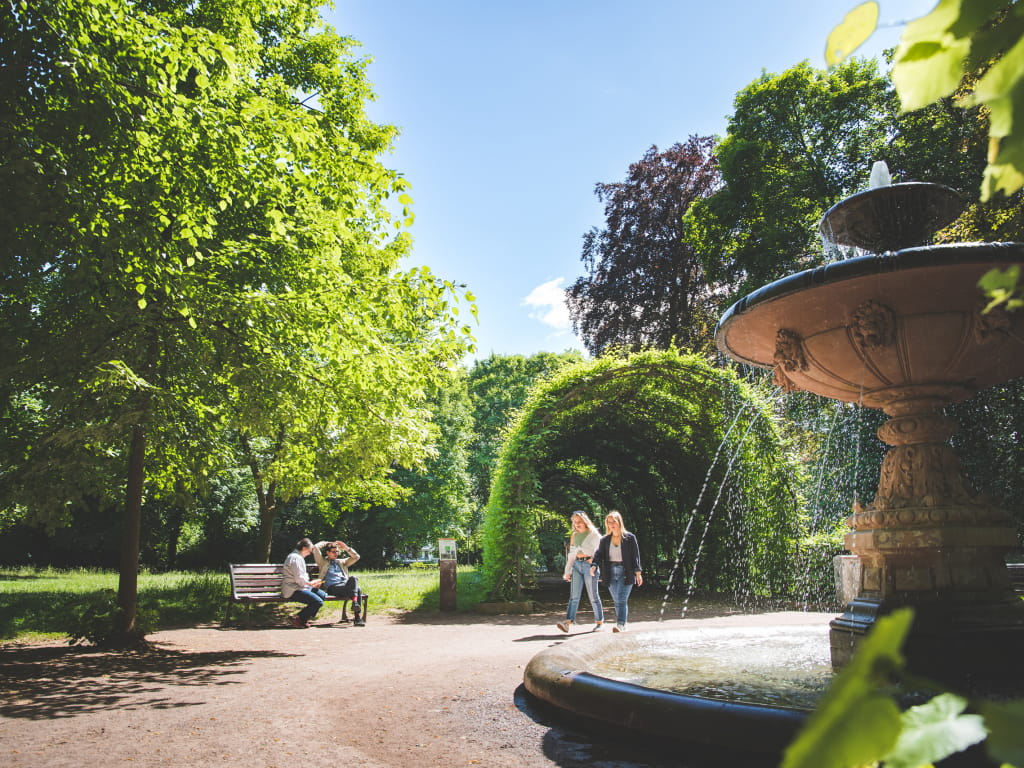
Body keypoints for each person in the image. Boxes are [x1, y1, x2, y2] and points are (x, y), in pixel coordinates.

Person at [590, 510, 643, 633]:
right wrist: (594, 565)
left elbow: (635, 556)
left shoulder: (630, 538)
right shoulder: (605, 540)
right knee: (617, 600)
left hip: (626, 572)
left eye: (614, 522)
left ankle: (620, 624)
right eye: (609, 522)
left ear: (619, 522)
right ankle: (622, 624)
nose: (611, 524)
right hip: (610, 572)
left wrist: (638, 573)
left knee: (621, 599)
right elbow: (598, 554)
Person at [556, 511, 604, 633]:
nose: (577, 524)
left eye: (579, 522)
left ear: (585, 521)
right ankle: (567, 623)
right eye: (575, 522)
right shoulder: (574, 536)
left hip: (589, 566)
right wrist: (567, 571)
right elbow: (571, 555)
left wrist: (594, 561)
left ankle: (599, 623)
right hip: (577, 565)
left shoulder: (594, 534)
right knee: (574, 596)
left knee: (593, 596)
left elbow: (601, 552)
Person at [313, 539, 365, 626]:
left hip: (345, 586)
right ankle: (357, 617)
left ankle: (355, 606)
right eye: (333, 552)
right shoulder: (322, 562)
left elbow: (356, 557)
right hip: (332, 588)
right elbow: (315, 547)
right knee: (358, 589)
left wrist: (346, 548)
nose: (336, 553)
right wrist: (327, 543)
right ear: (327, 552)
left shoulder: (342, 562)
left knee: (354, 579)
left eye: (337, 551)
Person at [282, 537, 326, 628]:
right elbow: (299, 579)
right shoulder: (295, 558)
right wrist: (311, 583)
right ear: (304, 548)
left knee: (323, 595)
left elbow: (301, 578)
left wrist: (312, 584)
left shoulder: (298, 557)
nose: (309, 554)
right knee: (318, 602)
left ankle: (304, 618)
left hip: (301, 587)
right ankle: (299, 618)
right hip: (293, 590)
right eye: (309, 551)